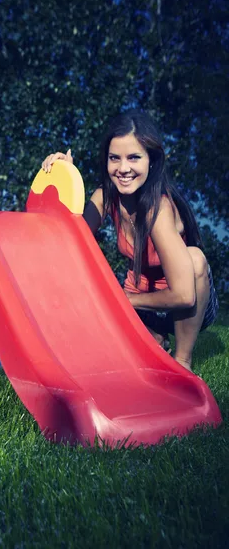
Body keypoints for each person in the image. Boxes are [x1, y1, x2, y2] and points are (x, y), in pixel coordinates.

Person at [42, 111, 218, 371]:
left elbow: (184, 295)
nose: (123, 169)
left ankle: (182, 361)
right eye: (115, 158)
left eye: (134, 157)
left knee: (195, 259)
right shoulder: (105, 197)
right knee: (114, 356)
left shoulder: (158, 207)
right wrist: (65, 178)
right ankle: (154, 337)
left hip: (186, 308)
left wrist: (120, 300)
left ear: (151, 161)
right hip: (140, 302)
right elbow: (71, 239)